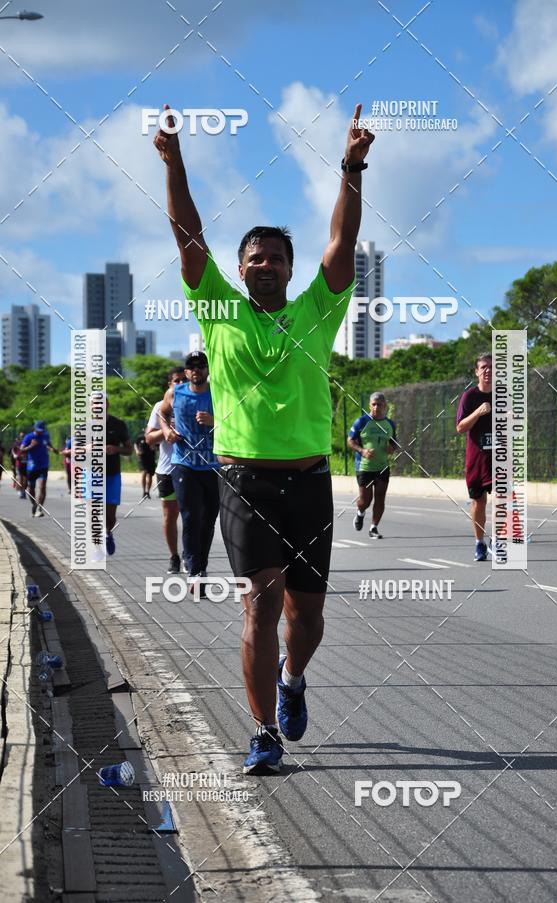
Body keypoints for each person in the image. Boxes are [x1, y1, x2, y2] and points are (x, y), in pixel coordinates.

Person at [155, 100, 374, 774]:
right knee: (261, 602)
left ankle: (292, 679)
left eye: (276, 257)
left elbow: (340, 242)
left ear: (289, 266)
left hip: (308, 478)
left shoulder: (319, 306)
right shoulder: (218, 310)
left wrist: (351, 169)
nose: (265, 264)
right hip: (244, 478)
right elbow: (188, 235)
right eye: (255, 257)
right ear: (241, 267)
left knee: (305, 619)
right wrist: (174, 161)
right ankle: (262, 734)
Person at [159, 352, 219, 585]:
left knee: (209, 518)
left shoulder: (219, 393)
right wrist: (166, 432)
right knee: (191, 516)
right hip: (184, 464)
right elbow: (162, 413)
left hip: (212, 465)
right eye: (192, 367)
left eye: (201, 366)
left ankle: (200, 564)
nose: (197, 370)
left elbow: (236, 420)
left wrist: (215, 421)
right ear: (186, 372)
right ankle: (194, 569)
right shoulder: (175, 392)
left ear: (207, 369)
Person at [145, 366, 187, 573]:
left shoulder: (196, 402)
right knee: (170, 516)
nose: (180, 385)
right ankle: (174, 556)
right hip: (167, 470)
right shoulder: (160, 407)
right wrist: (167, 430)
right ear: (169, 385)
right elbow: (149, 438)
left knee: (192, 515)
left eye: (183, 380)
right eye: (176, 381)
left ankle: (191, 555)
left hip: (191, 469)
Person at [456, 354, 493, 561]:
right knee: (479, 502)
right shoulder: (469, 397)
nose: (488, 370)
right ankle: (480, 543)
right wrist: (478, 412)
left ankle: (498, 541)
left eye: (491, 367)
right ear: (477, 371)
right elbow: (460, 427)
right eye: (484, 367)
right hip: (477, 458)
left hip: (499, 457)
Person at [347, 392, 396, 539]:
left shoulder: (390, 424)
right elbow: (350, 440)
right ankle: (360, 513)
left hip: (382, 466)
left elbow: (394, 442)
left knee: (380, 498)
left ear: (384, 406)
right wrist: (362, 451)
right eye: (373, 404)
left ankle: (373, 528)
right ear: (369, 405)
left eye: (379, 404)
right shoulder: (361, 422)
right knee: (365, 501)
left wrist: (391, 448)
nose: (376, 407)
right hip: (365, 467)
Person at [104, 398, 133, 555]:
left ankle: (108, 533)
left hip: (112, 474)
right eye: (94, 403)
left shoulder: (118, 424)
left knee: (110, 515)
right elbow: (74, 452)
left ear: (107, 404)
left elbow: (129, 450)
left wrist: (115, 449)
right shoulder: (83, 426)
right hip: (91, 475)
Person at [20, 421, 59, 517]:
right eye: (38, 430)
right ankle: (34, 504)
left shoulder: (45, 435)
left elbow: (48, 444)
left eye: (42, 430)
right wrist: (31, 446)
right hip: (32, 467)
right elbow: (21, 449)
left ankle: (39, 508)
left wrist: (53, 449)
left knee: (42, 487)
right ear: (34, 428)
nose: (40, 432)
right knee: (31, 488)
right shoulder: (28, 437)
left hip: (43, 465)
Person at [134, 430, 157, 500]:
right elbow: (135, 444)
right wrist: (137, 450)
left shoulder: (154, 437)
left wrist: (154, 447)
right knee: (144, 473)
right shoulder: (140, 437)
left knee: (150, 475)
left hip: (151, 458)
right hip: (142, 458)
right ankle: (144, 491)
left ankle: (147, 492)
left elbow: (158, 446)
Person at [11, 432, 27, 497]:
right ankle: (20, 491)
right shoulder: (17, 444)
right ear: (20, 437)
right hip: (19, 463)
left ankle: (24, 490)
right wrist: (14, 454)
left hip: (26, 463)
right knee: (20, 478)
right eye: (21, 436)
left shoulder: (27, 443)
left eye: (23, 436)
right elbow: (12, 450)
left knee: (26, 480)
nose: (22, 437)